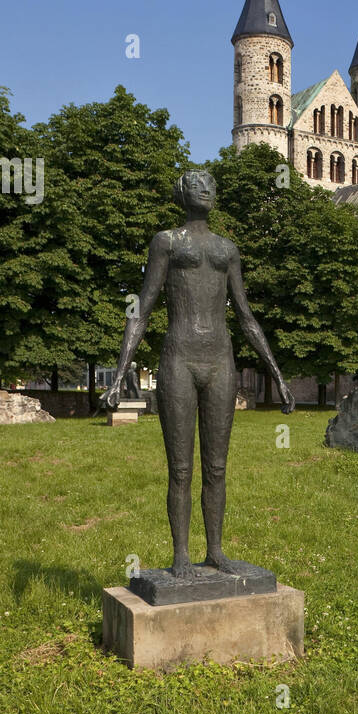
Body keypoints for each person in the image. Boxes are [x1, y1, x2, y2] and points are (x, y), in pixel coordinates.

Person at [102, 170, 294, 578]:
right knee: (181, 469)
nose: (206, 189)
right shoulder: (167, 242)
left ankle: (217, 551)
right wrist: (119, 373)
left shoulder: (227, 249)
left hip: (220, 361)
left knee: (217, 467)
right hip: (180, 359)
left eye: (211, 184)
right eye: (196, 184)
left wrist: (276, 374)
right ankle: (180, 555)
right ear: (182, 194)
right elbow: (143, 307)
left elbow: (246, 316)